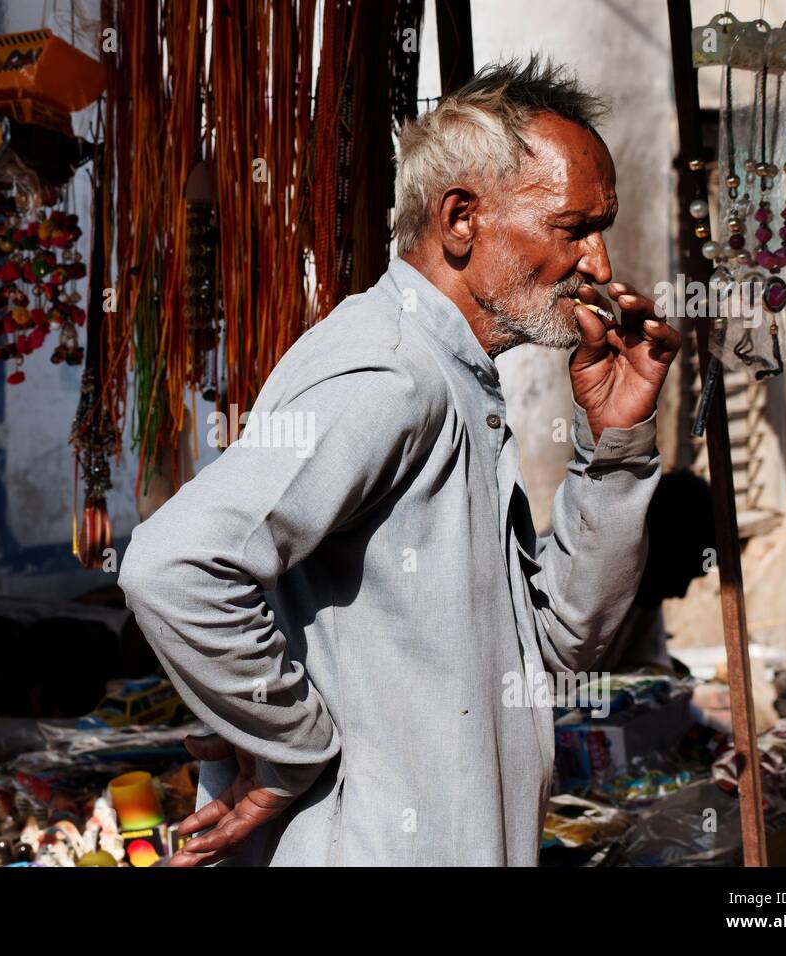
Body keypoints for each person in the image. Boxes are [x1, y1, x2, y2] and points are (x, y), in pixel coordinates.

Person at [118, 57, 681, 866]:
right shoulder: (391, 374)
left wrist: (613, 443)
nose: (597, 263)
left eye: (601, 229)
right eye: (571, 228)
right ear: (462, 218)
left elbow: (565, 646)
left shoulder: (454, 380)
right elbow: (174, 564)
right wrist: (292, 748)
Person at [595, 469, 715, 674]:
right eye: (682, 576)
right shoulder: (592, 585)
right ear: (662, 550)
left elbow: (646, 661)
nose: (681, 593)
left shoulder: (645, 595)